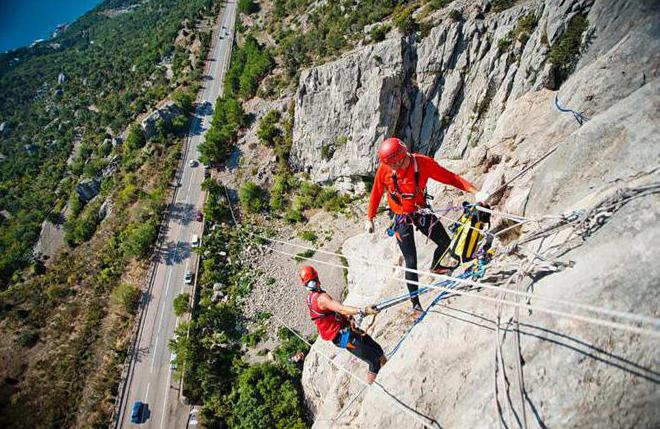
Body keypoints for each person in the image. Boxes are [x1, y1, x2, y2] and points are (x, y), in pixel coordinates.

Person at [365, 137, 487, 315]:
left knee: (446, 243)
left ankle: (436, 266)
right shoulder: (384, 170)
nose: (392, 169)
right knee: (411, 261)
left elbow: (449, 178)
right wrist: (370, 217)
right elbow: (376, 193)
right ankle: (415, 304)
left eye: (394, 165)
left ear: (400, 158)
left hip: (420, 211)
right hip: (400, 217)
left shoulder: (423, 164)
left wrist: (474, 191)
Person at [299, 265, 386, 384]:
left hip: (346, 331)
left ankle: (387, 372)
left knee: (378, 350)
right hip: (344, 338)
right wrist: (363, 310)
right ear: (316, 278)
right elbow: (341, 309)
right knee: (374, 361)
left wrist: (345, 317)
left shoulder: (312, 297)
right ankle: (374, 389)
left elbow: (331, 312)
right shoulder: (321, 298)